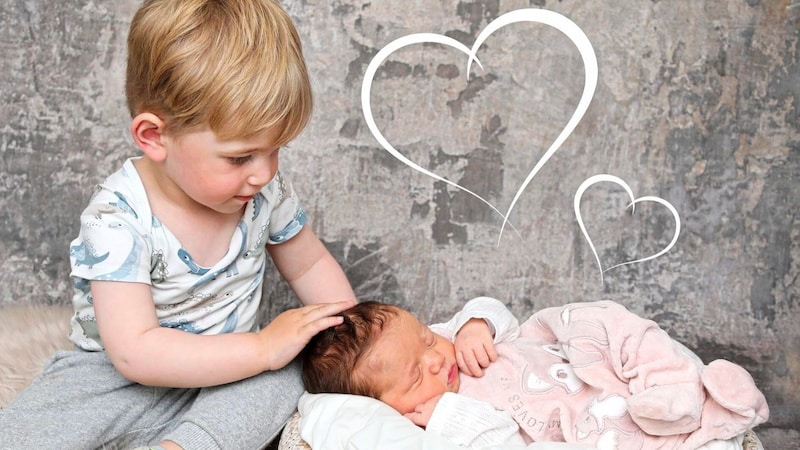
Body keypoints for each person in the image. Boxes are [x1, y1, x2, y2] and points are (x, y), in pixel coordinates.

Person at [0, 1, 356, 449]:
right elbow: (135, 351)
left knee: (294, 371)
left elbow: (308, 266)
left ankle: (187, 444)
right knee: (28, 428)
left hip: (229, 370)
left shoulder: (264, 192)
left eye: (276, 149)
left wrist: (355, 335)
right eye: (240, 156)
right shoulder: (116, 218)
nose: (264, 173)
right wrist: (263, 348)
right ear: (155, 137)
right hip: (114, 378)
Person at [302, 297, 769, 450]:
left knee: (594, 316)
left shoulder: (452, 347)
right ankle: (710, 420)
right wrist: (445, 417)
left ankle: (670, 379)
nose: (435, 361)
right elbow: (499, 442)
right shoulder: (437, 424)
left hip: (587, 365)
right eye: (413, 376)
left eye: (426, 340)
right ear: (391, 406)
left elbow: (498, 314)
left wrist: (474, 325)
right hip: (587, 422)